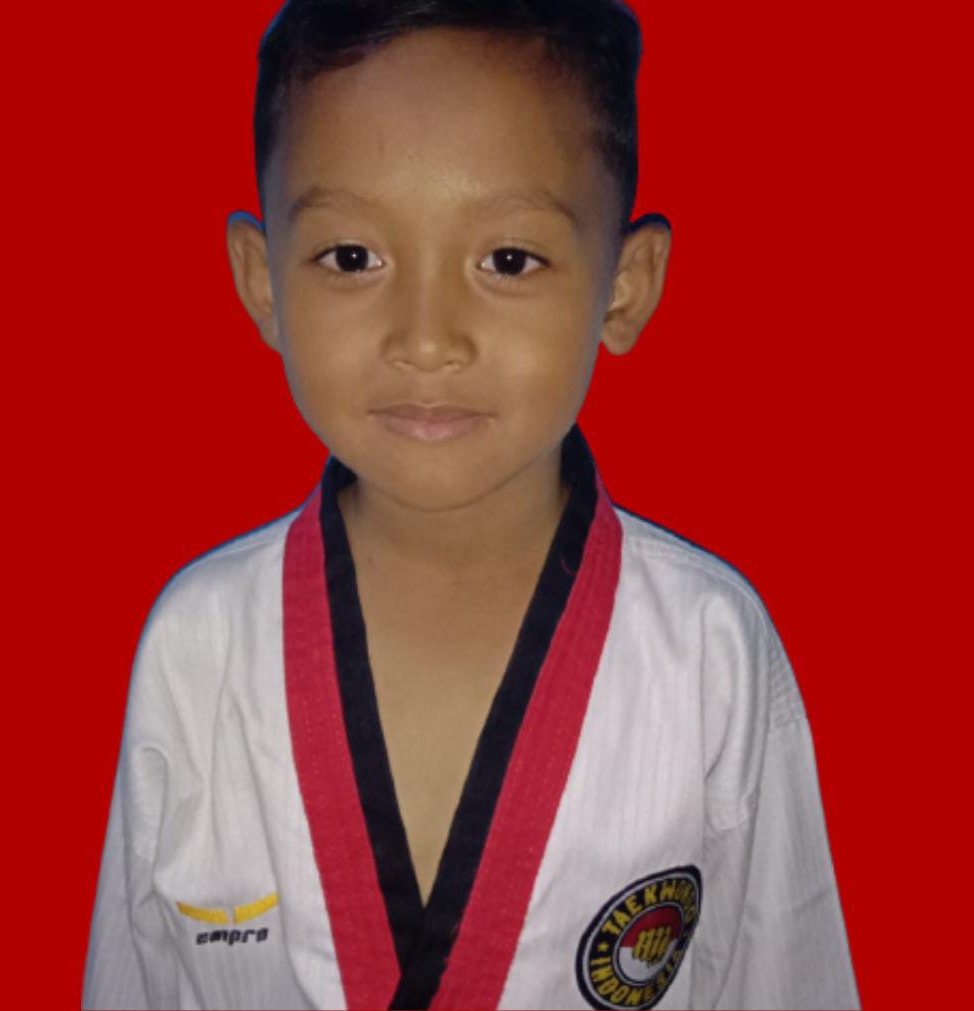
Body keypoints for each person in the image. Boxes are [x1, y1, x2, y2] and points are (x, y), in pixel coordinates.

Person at [83, 1, 859, 1008]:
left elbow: (785, 974)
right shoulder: (198, 647)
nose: (427, 338)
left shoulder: (710, 649)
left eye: (508, 260)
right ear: (262, 283)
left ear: (625, 288)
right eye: (352, 258)